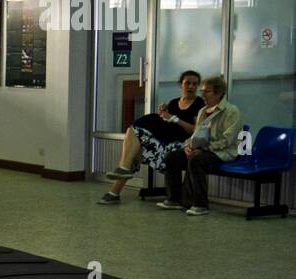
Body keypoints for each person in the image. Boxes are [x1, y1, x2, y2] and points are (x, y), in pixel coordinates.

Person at [96, 70, 204, 204]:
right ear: (181, 84)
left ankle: (116, 189)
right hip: (165, 139)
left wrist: (175, 119)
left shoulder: (199, 104)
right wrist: (163, 115)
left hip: (180, 144)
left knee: (136, 150)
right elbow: (165, 123)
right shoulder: (174, 102)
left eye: (194, 84)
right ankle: (121, 174)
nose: (191, 87)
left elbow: (195, 130)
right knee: (134, 132)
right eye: (188, 83)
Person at [158, 75, 243, 216]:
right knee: (172, 157)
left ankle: (200, 204)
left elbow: (228, 140)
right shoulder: (202, 111)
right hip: (202, 149)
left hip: (223, 152)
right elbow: (195, 135)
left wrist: (202, 148)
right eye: (202, 91)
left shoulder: (231, 111)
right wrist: (188, 146)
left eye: (206, 91)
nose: (202, 94)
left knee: (197, 159)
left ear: (219, 92)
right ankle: (174, 199)